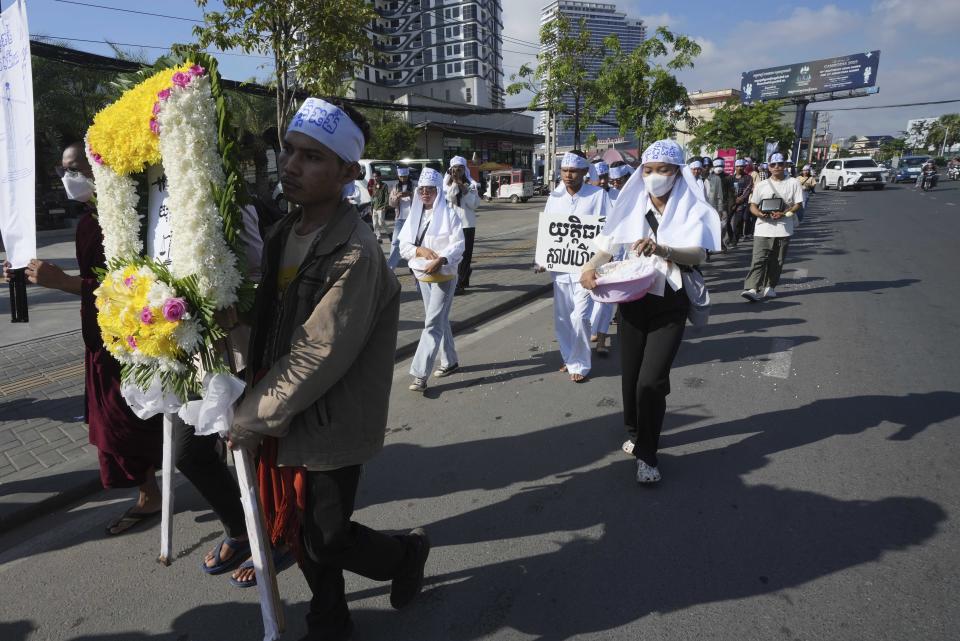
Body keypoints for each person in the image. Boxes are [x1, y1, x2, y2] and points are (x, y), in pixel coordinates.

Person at [229, 97, 430, 640]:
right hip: (285, 408)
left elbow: (320, 349)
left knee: (327, 535)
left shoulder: (356, 253)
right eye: (290, 152)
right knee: (303, 531)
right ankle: (331, 619)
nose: (291, 166)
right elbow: (274, 315)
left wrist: (252, 414)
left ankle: (404, 555)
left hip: (331, 417)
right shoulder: (281, 235)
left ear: (348, 172)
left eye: (312, 157)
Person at [2, 143, 164, 535]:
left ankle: (163, 489)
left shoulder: (130, 216)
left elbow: (135, 283)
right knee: (114, 423)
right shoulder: (89, 220)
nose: (68, 177)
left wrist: (65, 282)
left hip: (132, 335)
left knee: (131, 421)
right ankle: (152, 490)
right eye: (63, 170)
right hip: (98, 335)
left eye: (75, 168)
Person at [580, 139, 720, 483]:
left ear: (677, 173)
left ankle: (647, 455)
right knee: (631, 377)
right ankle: (634, 431)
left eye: (663, 170)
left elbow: (698, 255)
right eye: (648, 170)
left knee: (651, 380)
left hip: (669, 303)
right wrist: (589, 268)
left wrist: (663, 248)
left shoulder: (690, 208)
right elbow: (607, 247)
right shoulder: (631, 205)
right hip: (631, 302)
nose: (655, 176)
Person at [536, 151, 611, 383]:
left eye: (573, 171)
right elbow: (548, 232)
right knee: (563, 319)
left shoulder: (598, 196)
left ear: (584, 172)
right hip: (560, 270)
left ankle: (580, 363)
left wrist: (599, 262)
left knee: (579, 317)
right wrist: (541, 258)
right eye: (565, 170)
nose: (568, 175)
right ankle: (570, 358)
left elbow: (609, 233)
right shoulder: (554, 197)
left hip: (586, 271)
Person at [401, 167, 466, 393]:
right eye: (422, 190)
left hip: (444, 275)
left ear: (438, 190)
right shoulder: (414, 215)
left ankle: (420, 374)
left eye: (429, 190)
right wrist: (419, 250)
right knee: (438, 320)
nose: (425, 194)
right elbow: (403, 247)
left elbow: (459, 245)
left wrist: (442, 259)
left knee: (431, 323)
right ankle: (450, 361)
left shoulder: (451, 214)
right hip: (422, 275)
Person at [741, 153, 803, 302]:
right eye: (773, 164)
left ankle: (770, 287)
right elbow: (753, 206)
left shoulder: (794, 183)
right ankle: (753, 288)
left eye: (780, 164)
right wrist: (760, 214)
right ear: (768, 167)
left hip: (783, 228)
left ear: (785, 166)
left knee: (777, 260)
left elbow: (798, 204)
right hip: (763, 228)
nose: (776, 167)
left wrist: (784, 213)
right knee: (758, 259)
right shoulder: (761, 185)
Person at [444, 156, 479, 295]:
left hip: (467, 224)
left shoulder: (471, 185)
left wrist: (464, 189)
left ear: (465, 170)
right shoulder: (447, 185)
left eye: (460, 169)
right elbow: (451, 197)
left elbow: (474, 204)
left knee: (466, 255)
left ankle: (461, 282)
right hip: (452, 224)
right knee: (455, 254)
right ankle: (461, 280)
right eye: (455, 169)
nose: (457, 171)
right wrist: (455, 183)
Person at [387, 167, 414, 269]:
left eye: (405, 176)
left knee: (413, 243)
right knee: (395, 242)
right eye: (401, 176)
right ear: (398, 176)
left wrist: (410, 195)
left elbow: (419, 201)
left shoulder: (414, 186)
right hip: (400, 219)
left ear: (408, 176)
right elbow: (391, 203)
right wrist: (397, 197)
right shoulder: (395, 187)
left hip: (412, 219)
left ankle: (414, 266)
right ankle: (390, 268)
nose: (403, 178)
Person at [707, 158, 735, 250]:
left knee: (723, 226)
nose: (719, 168)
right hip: (711, 205)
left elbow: (731, 192)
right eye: (716, 166)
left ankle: (720, 241)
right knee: (711, 225)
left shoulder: (728, 177)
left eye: (721, 166)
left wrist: (731, 206)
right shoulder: (708, 177)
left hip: (723, 205)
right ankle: (709, 246)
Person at [731, 159, 754, 246]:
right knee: (727, 222)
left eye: (741, 166)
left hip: (742, 204)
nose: (739, 168)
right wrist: (732, 200)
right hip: (731, 203)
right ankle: (730, 237)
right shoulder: (731, 178)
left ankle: (734, 240)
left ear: (744, 167)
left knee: (737, 222)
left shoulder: (748, 178)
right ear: (735, 167)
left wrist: (740, 199)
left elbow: (747, 190)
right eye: (737, 166)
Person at [370, 170, 389, 243]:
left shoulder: (384, 185)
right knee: (375, 223)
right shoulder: (374, 186)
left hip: (381, 207)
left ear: (380, 177)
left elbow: (387, 195)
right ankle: (378, 237)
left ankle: (389, 233)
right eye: (374, 177)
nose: (375, 178)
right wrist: (371, 207)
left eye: (376, 176)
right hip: (374, 207)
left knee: (381, 222)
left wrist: (385, 205)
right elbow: (373, 197)